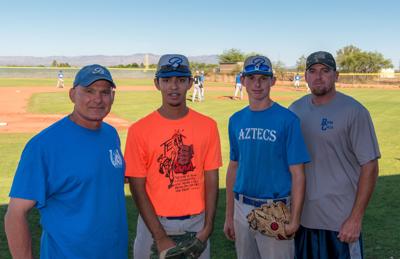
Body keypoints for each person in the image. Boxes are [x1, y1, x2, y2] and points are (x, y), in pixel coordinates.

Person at [4, 64, 128, 259]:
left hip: (114, 252)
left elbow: (103, 179)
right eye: (89, 91)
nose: (97, 99)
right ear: (72, 94)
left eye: (105, 92)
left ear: (112, 96)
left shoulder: (111, 135)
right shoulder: (43, 146)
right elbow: (15, 214)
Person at [125, 54, 222, 259]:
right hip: (153, 224)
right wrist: (160, 237)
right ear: (157, 84)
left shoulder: (208, 126)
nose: (173, 86)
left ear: (190, 83)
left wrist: (208, 226)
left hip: (197, 223)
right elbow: (137, 186)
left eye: (180, 79)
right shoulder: (139, 130)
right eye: (167, 80)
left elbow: (212, 178)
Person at [289, 51, 380, 259]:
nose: (318, 77)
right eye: (312, 71)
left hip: (340, 222)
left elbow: (370, 167)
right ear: (305, 76)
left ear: (336, 76)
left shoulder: (354, 111)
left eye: (325, 71)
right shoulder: (295, 110)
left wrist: (355, 218)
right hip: (303, 219)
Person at [223, 55, 310, 259]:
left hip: (276, 209)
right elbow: (233, 167)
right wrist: (229, 215)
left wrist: (295, 219)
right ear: (242, 81)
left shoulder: (288, 120)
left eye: (263, 77)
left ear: (273, 81)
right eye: (252, 78)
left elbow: (298, 174)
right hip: (241, 207)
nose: (257, 84)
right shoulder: (236, 120)